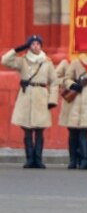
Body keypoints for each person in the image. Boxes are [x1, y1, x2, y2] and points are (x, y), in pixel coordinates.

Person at [2, 35, 58, 169]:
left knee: (39, 130)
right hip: (26, 96)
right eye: (32, 44)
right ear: (29, 46)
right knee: (27, 130)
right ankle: (29, 159)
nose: (35, 46)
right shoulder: (23, 61)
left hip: (41, 96)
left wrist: (52, 100)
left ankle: (38, 159)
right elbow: (5, 60)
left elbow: (54, 82)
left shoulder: (47, 62)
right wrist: (17, 50)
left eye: (38, 44)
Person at [55, 58, 82, 169]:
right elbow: (55, 77)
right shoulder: (66, 62)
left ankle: (82, 158)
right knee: (73, 132)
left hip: (83, 100)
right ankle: (73, 159)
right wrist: (70, 84)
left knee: (83, 132)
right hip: (71, 100)